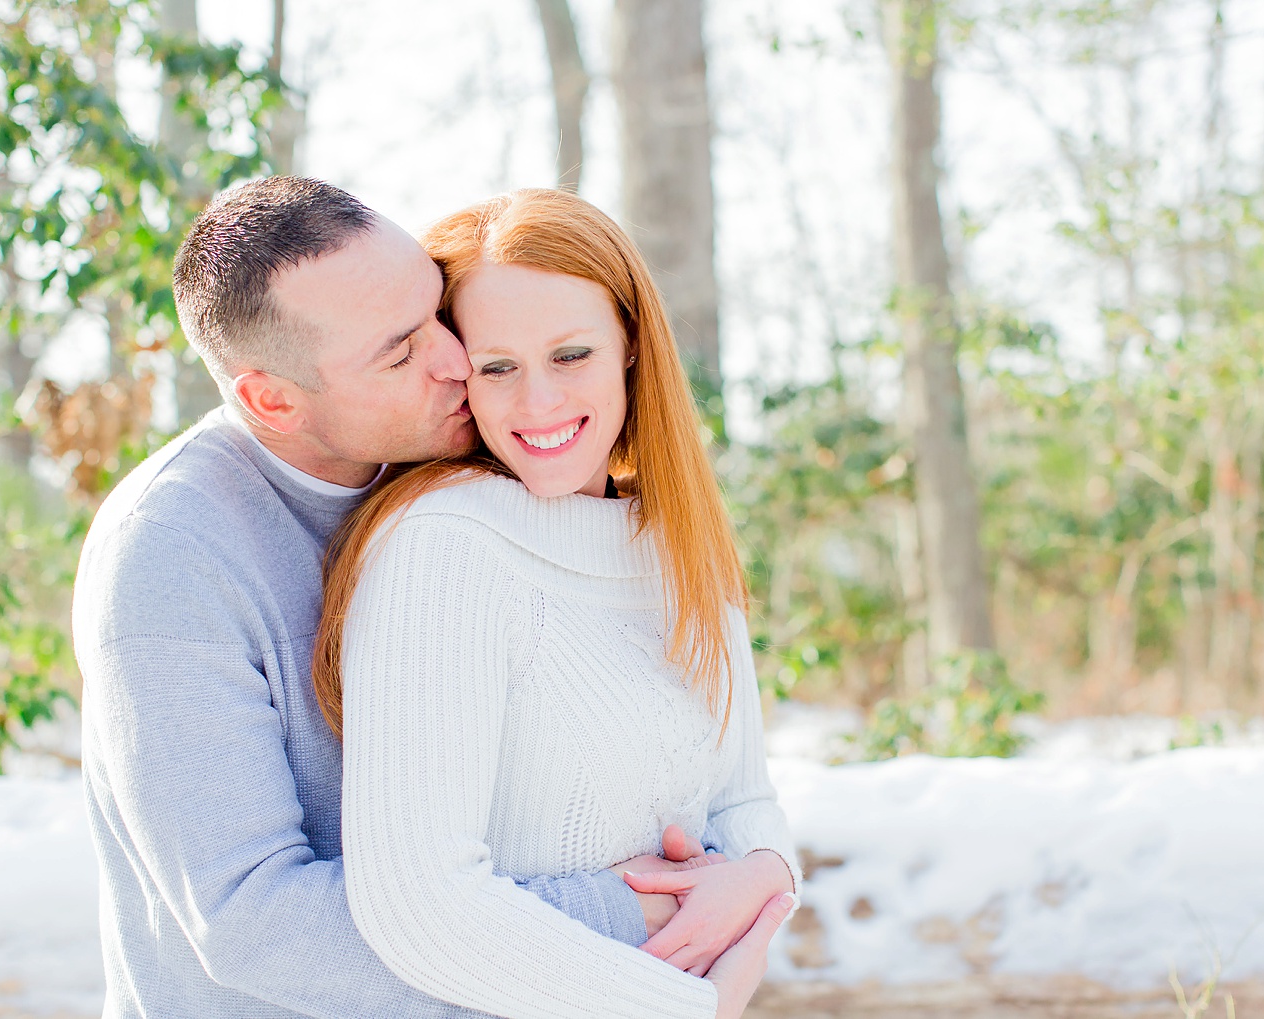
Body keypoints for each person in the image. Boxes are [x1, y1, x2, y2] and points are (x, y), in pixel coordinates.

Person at [72, 176, 734, 1018]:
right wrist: (631, 914)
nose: (457, 359)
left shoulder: (461, 464)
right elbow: (250, 920)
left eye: (436, 311)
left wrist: (747, 868)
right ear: (272, 399)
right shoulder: (171, 556)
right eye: (399, 351)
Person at [314, 188, 801, 1019]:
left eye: (571, 355)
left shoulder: (677, 541)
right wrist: (681, 1008)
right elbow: (417, 902)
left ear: (632, 349)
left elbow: (745, 797)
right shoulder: (445, 544)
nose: (536, 404)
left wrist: (765, 873)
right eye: (497, 366)